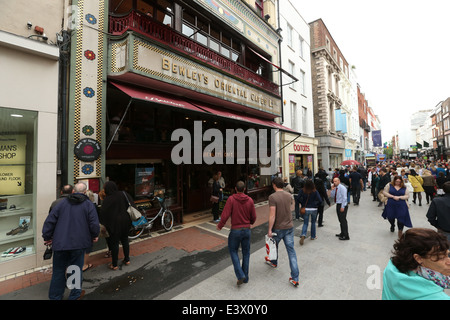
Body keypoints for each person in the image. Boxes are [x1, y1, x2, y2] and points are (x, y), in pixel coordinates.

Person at [42, 182, 99, 300]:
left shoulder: (61, 204)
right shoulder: (88, 205)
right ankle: (74, 295)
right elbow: (94, 224)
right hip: (79, 243)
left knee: (58, 271)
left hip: (60, 243)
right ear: (85, 192)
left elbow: (49, 221)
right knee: (75, 270)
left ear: (73, 191)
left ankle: (55, 296)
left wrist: (47, 237)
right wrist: (94, 235)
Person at [382, 228, 450, 300]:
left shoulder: (391, 270)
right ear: (418, 258)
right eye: (441, 257)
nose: (449, 262)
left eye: (448, 255)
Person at [217, 181, 256, 286]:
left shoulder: (231, 199)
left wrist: (220, 225)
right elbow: (254, 217)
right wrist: (250, 222)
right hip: (247, 230)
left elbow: (225, 215)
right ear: (244, 189)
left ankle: (240, 275)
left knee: (233, 251)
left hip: (235, 230)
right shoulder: (250, 200)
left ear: (235, 188)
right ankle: (245, 277)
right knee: (246, 253)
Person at [266, 177, 299, 287]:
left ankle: (274, 262)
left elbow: (272, 215)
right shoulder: (289, 195)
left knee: (274, 246)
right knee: (291, 252)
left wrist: (270, 229)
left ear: (274, 185)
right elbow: (289, 207)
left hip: (278, 227)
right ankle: (295, 278)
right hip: (289, 226)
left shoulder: (272, 197)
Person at [100, 181, 133, 270]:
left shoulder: (108, 199)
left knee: (114, 243)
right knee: (125, 240)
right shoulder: (123, 194)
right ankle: (127, 259)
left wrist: (104, 224)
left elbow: (103, 213)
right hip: (126, 222)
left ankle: (114, 264)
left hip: (114, 224)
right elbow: (132, 204)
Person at [297, 179, 323, 245]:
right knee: (313, 222)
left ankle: (303, 234)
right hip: (314, 209)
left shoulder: (302, 190)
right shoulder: (315, 191)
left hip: (305, 209)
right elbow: (320, 200)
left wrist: (302, 203)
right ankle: (313, 236)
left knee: (305, 223)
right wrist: (316, 204)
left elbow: (297, 199)